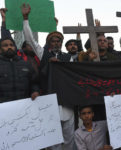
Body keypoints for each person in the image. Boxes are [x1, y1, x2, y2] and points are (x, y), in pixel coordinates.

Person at [21, 4, 76, 150]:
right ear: (48, 43)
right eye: (53, 40)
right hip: (49, 102)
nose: (56, 42)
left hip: (67, 103)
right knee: (54, 140)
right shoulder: (43, 54)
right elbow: (30, 39)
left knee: (69, 138)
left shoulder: (68, 57)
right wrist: (25, 18)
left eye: (59, 40)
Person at [0, 8, 40, 73]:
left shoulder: (38, 57)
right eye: (29, 45)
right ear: (24, 47)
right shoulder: (18, 56)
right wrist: (4, 20)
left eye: (32, 44)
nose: (31, 46)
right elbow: (7, 39)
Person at [0, 38, 40, 102]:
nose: (9, 47)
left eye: (11, 45)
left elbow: (34, 82)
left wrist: (35, 91)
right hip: (3, 107)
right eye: (5, 45)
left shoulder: (25, 64)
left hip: (24, 106)